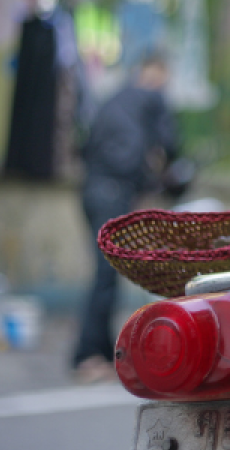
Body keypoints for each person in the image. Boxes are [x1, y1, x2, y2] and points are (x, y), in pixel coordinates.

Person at [71, 52, 179, 383]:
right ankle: (88, 355)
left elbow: (86, 145)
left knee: (104, 273)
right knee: (106, 275)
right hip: (114, 192)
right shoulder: (153, 97)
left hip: (91, 190)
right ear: (158, 73)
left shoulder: (115, 96)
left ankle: (100, 353)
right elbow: (172, 145)